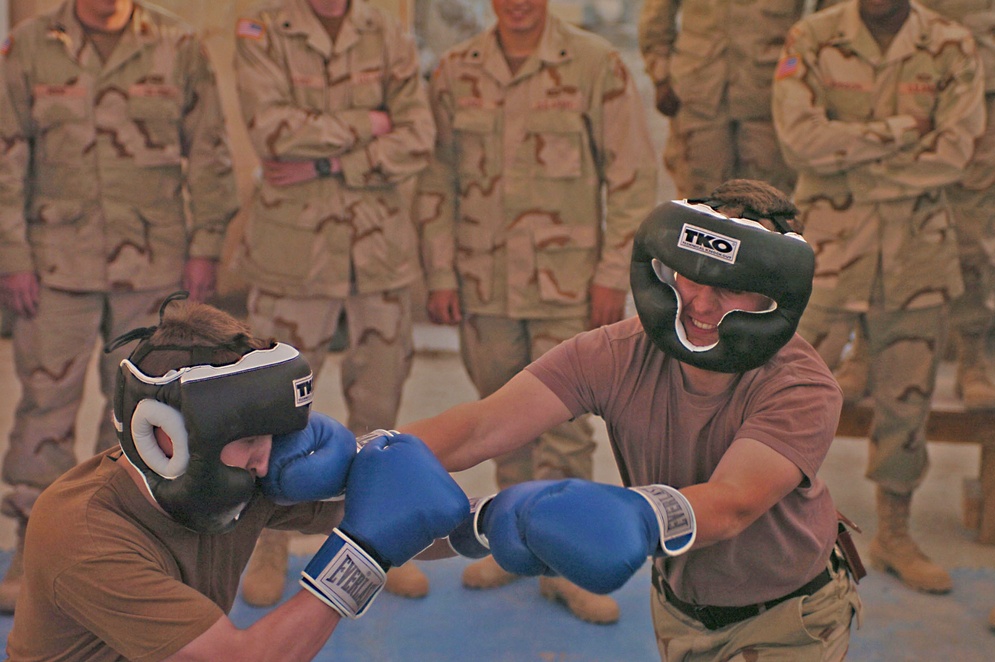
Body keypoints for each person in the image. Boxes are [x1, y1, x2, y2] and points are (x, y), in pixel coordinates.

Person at [405, 180, 862, 660]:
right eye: (692, 277)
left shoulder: (800, 384)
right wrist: (364, 455)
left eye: (731, 287)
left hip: (787, 621)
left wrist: (638, 518)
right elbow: (483, 426)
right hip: (676, 609)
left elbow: (733, 503)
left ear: (770, 293)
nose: (702, 306)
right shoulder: (620, 351)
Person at [5, 295, 468, 660]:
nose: (266, 461)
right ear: (165, 436)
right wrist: (360, 556)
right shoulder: (82, 533)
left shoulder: (240, 472)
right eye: (247, 438)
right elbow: (243, 657)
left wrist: (488, 529)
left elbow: (394, 509)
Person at [414, 0, 657, 623]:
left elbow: (630, 177)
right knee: (498, 415)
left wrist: (613, 274)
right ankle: (514, 544)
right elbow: (435, 180)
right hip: (482, 284)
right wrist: (440, 271)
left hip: (568, 284)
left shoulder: (595, 65)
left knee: (567, 428)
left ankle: (566, 564)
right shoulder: (453, 71)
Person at [0, 0, 240, 612]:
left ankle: (156, 554)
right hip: (55, 264)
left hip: (153, 266)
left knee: (158, 414)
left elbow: (209, 151)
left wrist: (207, 246)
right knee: (45, 407)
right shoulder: (30, 46)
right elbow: (6, 155)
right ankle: (39, 553)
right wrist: (13, 255)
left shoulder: (178, 45)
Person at [771, 0, 985, 593]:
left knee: (907, 401)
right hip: (828, 256)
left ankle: (894, 532)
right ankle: (777, 533)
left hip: (917, 255)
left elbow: (955, 152)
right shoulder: (812, 37)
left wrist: (849, 167)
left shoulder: (949, 44)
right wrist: (895, 136)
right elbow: (799, 143)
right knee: (780, 395)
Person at [232, 0, 436, 604]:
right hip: (292, 258)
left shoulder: (387, 33)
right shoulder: (262, 28)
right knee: (271, 415)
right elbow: (268, 129)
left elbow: (418, 135)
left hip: (379, 254)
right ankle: (267, 546)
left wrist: (325, 158)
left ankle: (378, 544)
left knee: (382, 411)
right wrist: (369, 123)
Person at [832, 0, 995, 411]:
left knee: (971, 232)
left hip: (982, 82)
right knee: (874, 224)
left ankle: (973, 359)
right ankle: (864, 355)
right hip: (889, 76)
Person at [637, 0, 805, 197]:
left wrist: (813, 78)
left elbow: (829, 18)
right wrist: (661, 75)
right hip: (699, 93)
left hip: (769, 99)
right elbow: (657, 16)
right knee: (699, 196)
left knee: (766, 199)